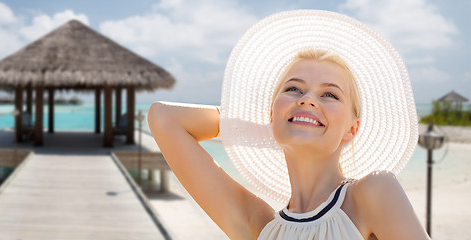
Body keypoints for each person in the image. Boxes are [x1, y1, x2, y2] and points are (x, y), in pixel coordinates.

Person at [148, 10, 429, 240]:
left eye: (329, 94)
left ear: (352, 129)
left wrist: (291, 119)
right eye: (294, 89)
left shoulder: (372, 195)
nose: (307, 100)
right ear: (271, 113)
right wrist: (268, 124)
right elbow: (164, 118)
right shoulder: (261, 227)